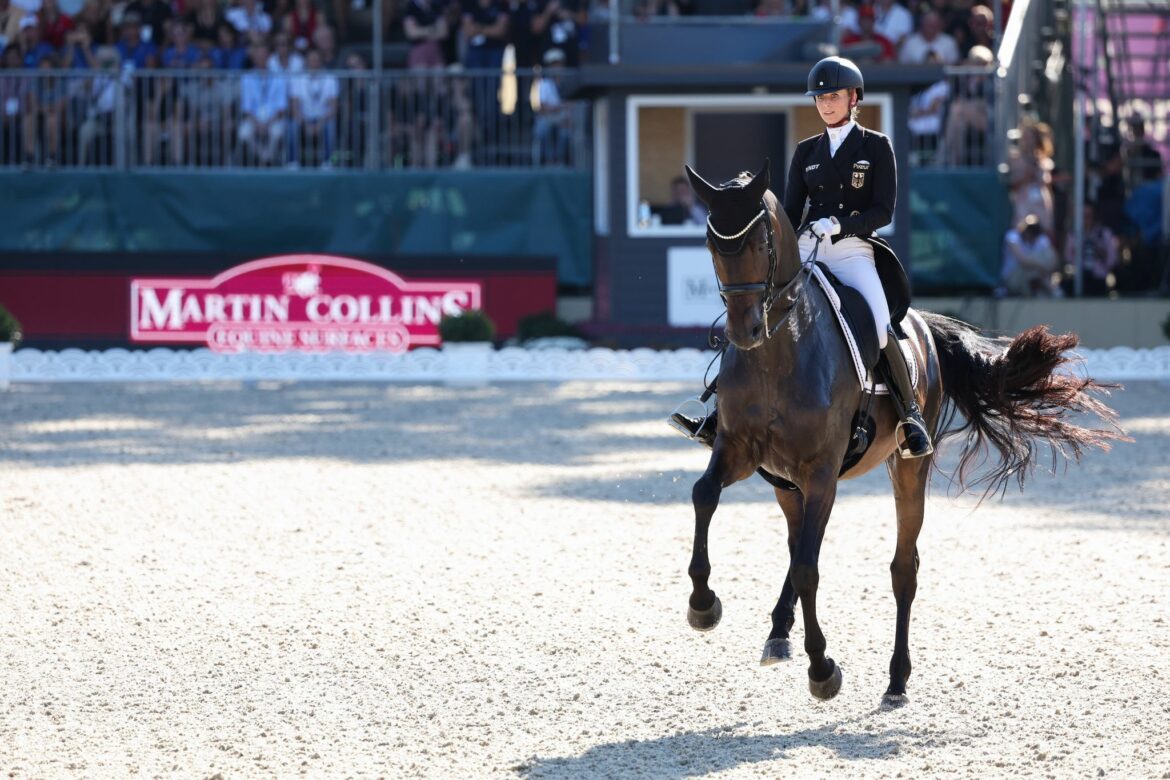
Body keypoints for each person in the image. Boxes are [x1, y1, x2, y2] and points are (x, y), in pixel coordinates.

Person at [673, 56, 932, 459]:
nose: (826, 104)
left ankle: (910, 416)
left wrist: (841, 225)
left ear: (853, 98)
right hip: (809, 249)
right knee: (760, 311)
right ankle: (714, 413)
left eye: (833, 96)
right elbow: (791, 213)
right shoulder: (806, 150)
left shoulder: (876, 146)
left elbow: (884, 211)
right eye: (820, 98)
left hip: (853, 250)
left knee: (880, 326)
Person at [999, 214, 1059, 297]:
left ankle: (1049, 291)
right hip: (1012, 279)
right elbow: (1023, 260)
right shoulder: (1012, 237)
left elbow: (1053, 259)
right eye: (1030, 232)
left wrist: (1044, 267)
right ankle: (1054, 291)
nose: (1031, 236)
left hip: (1035, 278)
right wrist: (1041, 267)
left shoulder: (1039, 239)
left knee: (1046, 255)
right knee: (1032, 269)